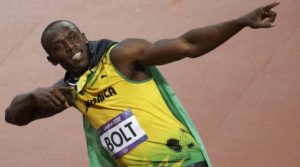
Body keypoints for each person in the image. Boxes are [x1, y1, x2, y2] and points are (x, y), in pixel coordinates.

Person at [5, 2, 279, 167]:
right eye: (60, 47)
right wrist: (32, 96)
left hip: (180, 161)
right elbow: (14, 117)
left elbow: (188, 45)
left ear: (84, 36)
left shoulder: (121, 56)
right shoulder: (70, 91)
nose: (72, 48)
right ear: (53, 59)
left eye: (73, 37)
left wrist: (241, 22)